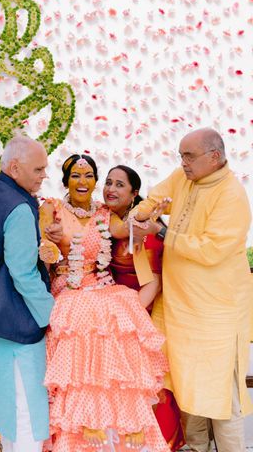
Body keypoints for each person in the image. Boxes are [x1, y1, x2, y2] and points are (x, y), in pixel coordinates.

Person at [133, 127, 252, 452]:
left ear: (214, 157)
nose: (183, 163)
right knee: (188, 388)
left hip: (217, 314)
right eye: (181, 155)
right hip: (181, 309)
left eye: (189, 156)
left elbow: (211, 250)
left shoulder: (232, 195)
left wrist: (161, 230)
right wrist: (141, 215)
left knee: (222, 398)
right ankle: (195, 447)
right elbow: (153, 199)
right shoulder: (182, 177)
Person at [40, 153, 169, 452]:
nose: (82, 182)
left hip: (100, 286)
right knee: (86, 317)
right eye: (75, 175)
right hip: (69, 286)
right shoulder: (52, 208)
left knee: (119, 315)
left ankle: (126, 422)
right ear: (66, 180)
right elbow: (43, 250)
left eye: (88, 176)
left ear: (94, 182)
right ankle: (83, 422)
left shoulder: (102, 213)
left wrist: (148, 217)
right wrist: (48, 241)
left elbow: (126, 230)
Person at [0, 135, 55, 452]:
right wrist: (50, 312)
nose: (44, 175)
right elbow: (24, 273)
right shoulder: (19, 207)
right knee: (26, 412)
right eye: (39, 169)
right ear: (15, 167)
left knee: (5, 409)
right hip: (15, 322)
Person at [104, 164, 185, 451]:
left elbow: (154, 282)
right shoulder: (109, 219)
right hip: (113, 312)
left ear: (135, 193)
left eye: (119, 185)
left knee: (144, 386)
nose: (111, 189)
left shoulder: (144, 228)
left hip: (141, 313)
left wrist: (130, 318)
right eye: (108, 182)